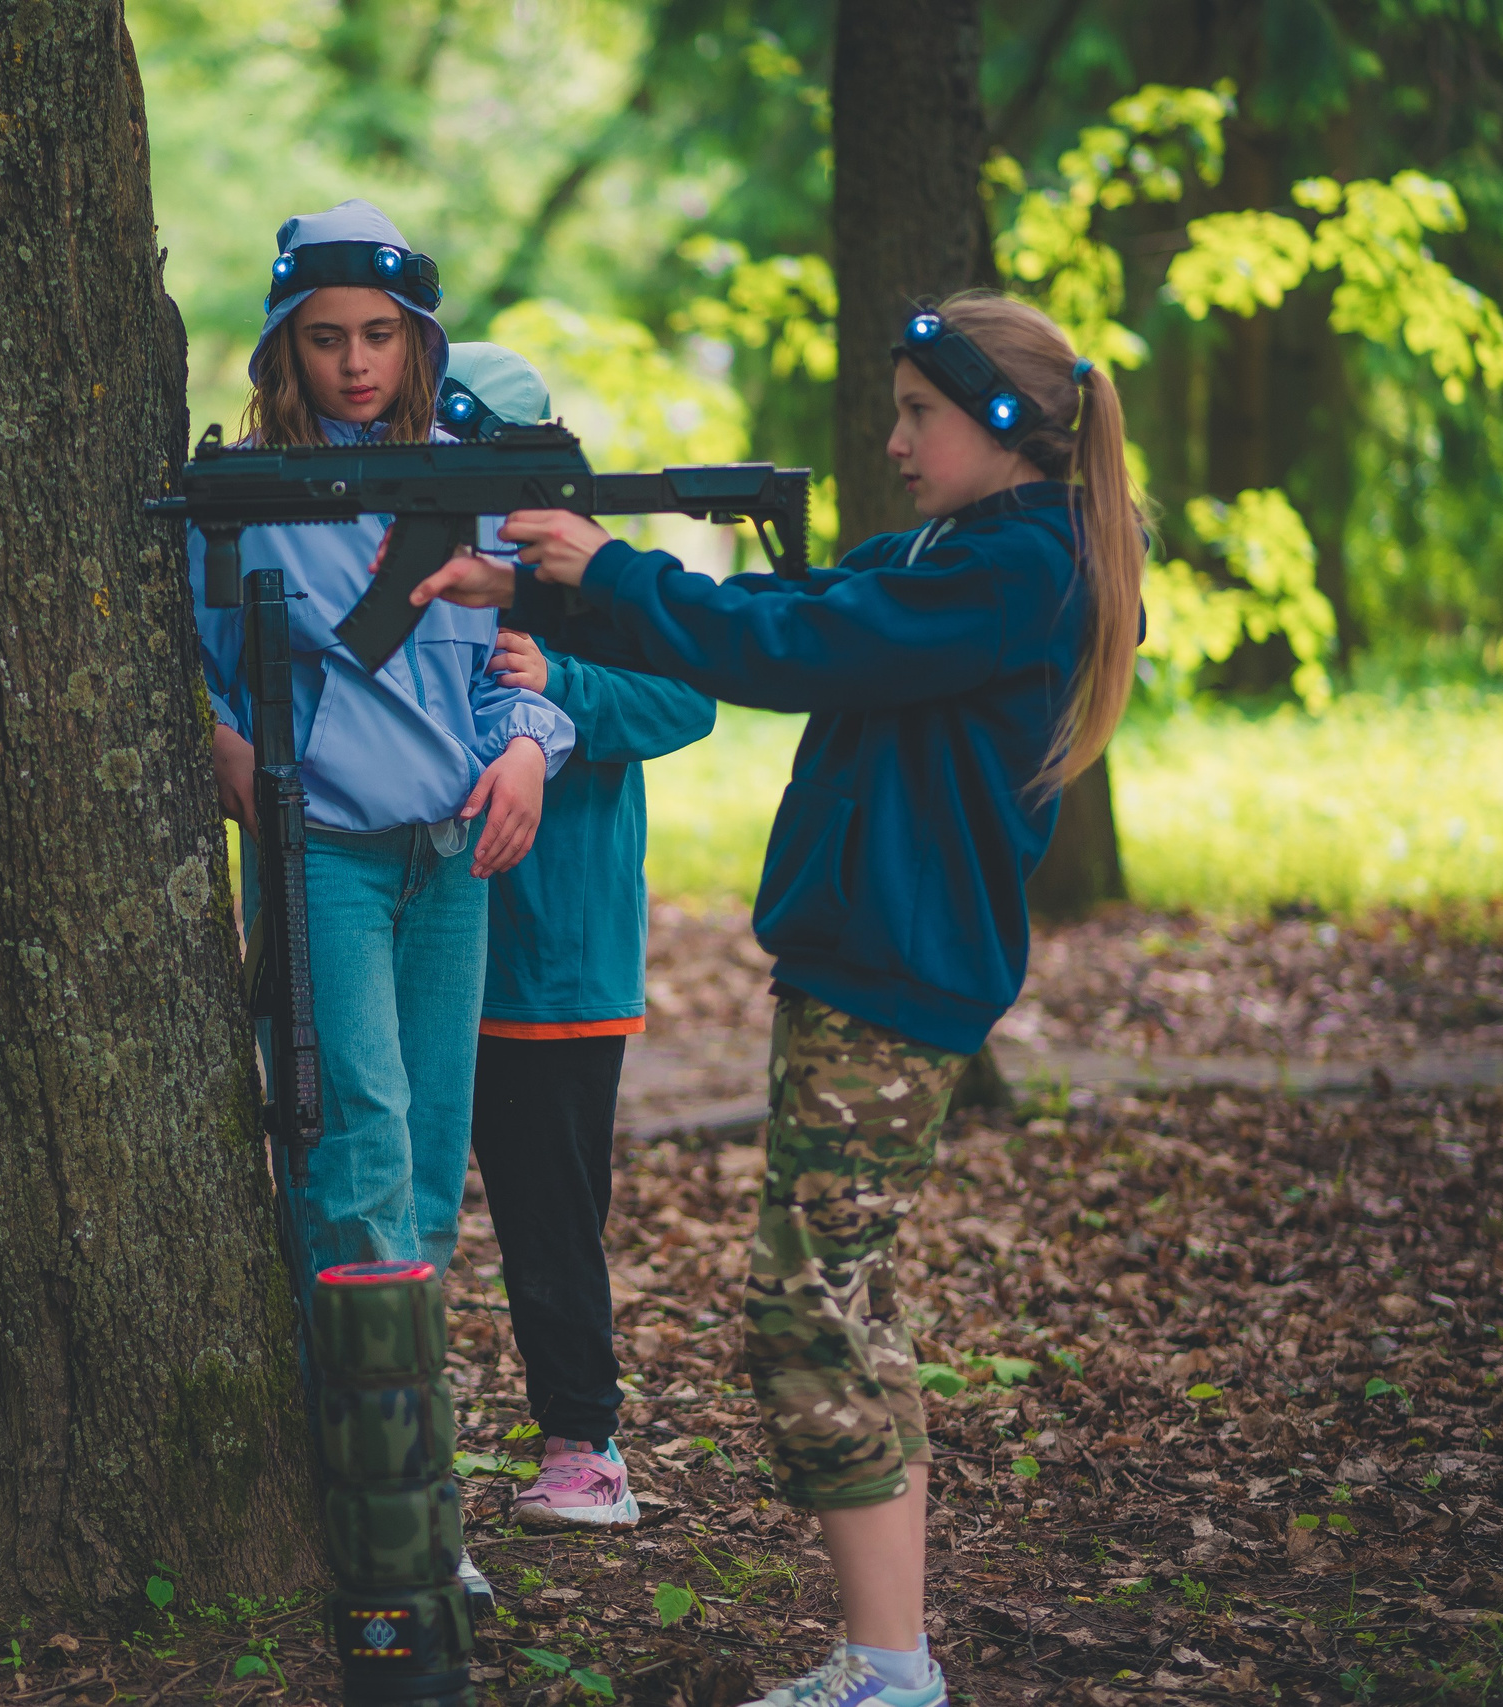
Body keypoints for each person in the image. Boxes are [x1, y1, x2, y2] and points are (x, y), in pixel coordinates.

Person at [407, 291, 1147, 1707]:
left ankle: (891, 1666)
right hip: (858, 959)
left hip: (897, 972)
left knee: (809, 1315)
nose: (894, 438)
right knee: (845, 1307)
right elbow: (788, 608)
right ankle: (889, 1656)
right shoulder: (956, 548)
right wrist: (552, 585)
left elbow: (798, 652)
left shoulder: (1018, 568)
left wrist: (604, 574)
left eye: (919, 413)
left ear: (1002, 425)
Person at [196, 203, 575, 1615]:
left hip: (448, 858)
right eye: (326, 335)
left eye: (380, 335)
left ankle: (395, 1490)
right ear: (285, 344)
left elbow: (527, 665)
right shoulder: (237, 495)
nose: (355, 362)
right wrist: (211, 741)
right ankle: (395, 1532)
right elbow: (176, 661)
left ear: (418, 340)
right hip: (323, 855)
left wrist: (535, 739)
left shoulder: (478, 484)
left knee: (419, 1178)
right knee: (354, 1157)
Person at [442, 344, 717, 1534]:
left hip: (555, 958)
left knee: (548, 1216)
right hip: (412, 932)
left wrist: (562, 680)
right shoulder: (406, 558)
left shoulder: (599, 579)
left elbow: (689, 697)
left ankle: (583, 1449)